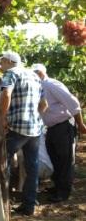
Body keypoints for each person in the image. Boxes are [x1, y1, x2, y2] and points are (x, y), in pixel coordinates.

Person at [0, 51, 47, 216]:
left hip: (17, 128)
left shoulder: (10, 73)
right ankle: (29, 206)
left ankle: (3, 204)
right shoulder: (34, 76)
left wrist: (2, 117)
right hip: (34, 129)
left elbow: (6, 94)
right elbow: (44, 104)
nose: (0, 66)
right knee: (31, 168)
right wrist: (34, 116)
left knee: (3, 163)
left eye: (2, 62)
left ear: (8, 61)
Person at [32, 63, 86, 202]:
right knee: (54, 157)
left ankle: (63, 193)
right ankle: (57, 187)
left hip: (63, 125)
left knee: (65, 159)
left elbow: (73, 102)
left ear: (41, 73)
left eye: (36, 73)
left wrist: (80, 123)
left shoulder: (51, 84)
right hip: (52, 128)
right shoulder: (39, 87)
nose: (33, 76)